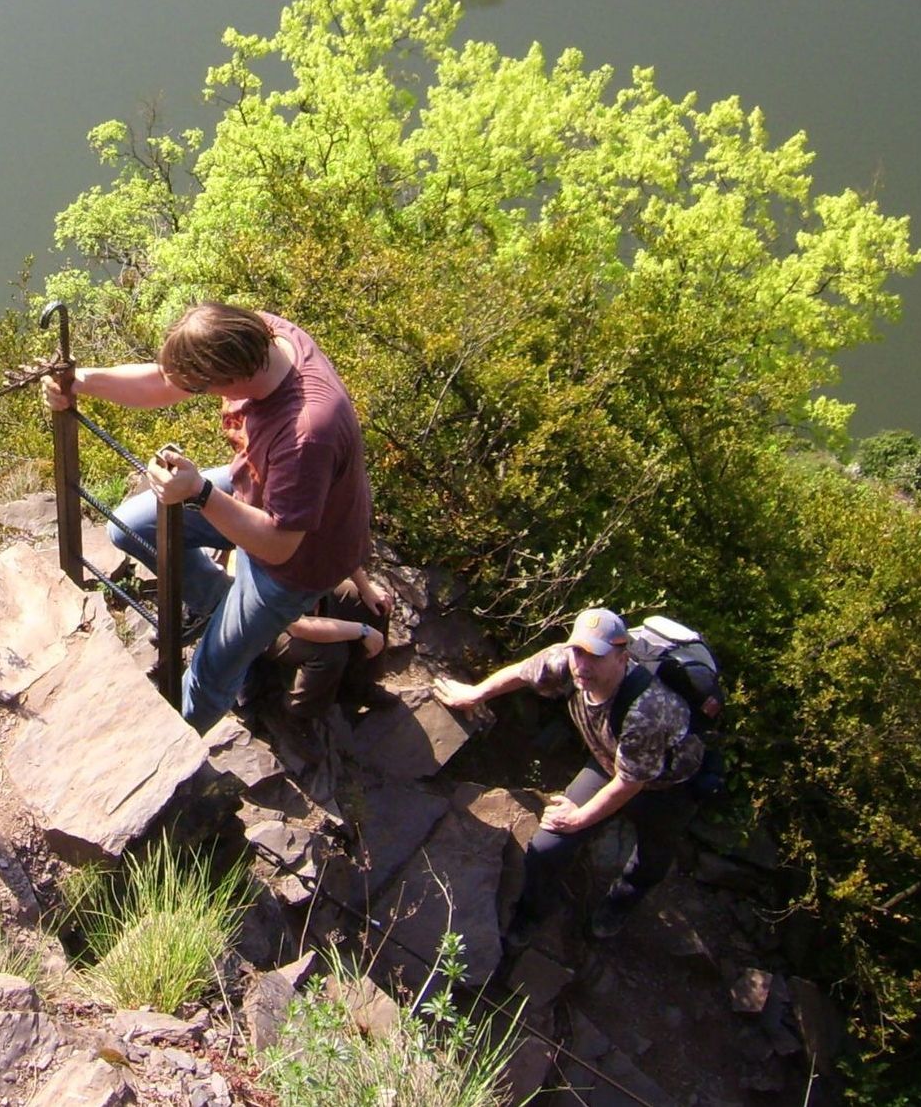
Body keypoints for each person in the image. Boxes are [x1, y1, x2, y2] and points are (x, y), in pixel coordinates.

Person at [44, 302, 373, 732]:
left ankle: (177, 756)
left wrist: (199, 492)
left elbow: (278, 544)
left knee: (212, 669)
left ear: (232, 377)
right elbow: (164, 382)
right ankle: (225, 611)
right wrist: (78, 382)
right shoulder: (256, 336)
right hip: (255, 491)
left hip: (296, 561)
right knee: (131, 527)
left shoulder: (306, 432)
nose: (192, 392)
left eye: (203, 387)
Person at [432, 607, 704, 946]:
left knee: (653, 854)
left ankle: (621, 901)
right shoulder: (569, 665)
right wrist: (476, 694)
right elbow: (523, 672)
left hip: (668, 785)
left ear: (622, 657)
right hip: (611, 761)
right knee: (547, 847)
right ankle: (531, 915)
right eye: (578, 651)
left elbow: (630, 783)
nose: (582, 664)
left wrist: (577, 819)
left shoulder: (647, 710)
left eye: (596, 656)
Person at [260, 569, 394, 720]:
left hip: (311, 594)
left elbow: (348, 553)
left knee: (378, 605)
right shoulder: (272, 554)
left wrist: (367, 590)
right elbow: (298, 626)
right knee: (329, 651)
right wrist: (362, 630)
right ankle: (296, 716)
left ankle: (357, 687)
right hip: (269, 623)